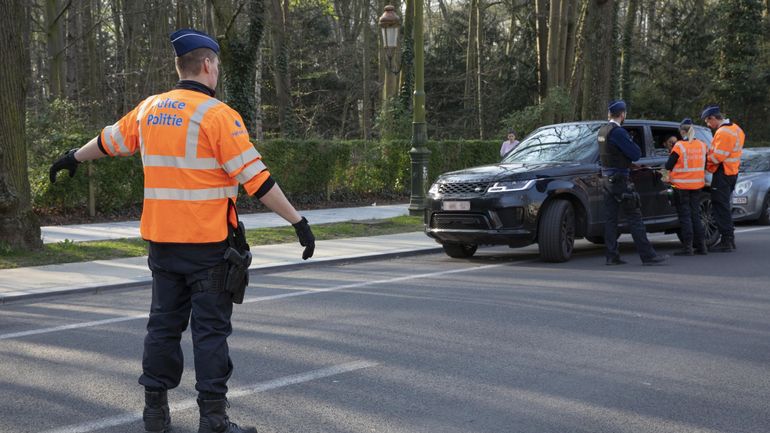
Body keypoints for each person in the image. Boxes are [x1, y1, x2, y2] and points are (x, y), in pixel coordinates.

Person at [49, 29, 315, 433]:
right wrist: (298, 221)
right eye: (218, 65)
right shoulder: (218, 116)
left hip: (162, 244)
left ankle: (155, 414)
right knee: (210, 333)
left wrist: (72, 157)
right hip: (209, 247)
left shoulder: (150, 109)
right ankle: (213, 421)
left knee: (162, 326)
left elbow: (108, 141)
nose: (219, 70)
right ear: (207, 65)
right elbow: (256, 180)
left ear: (180, 66)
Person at [598, 100, 667, 266]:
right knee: (635, 218)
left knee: (610, 220)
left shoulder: (602, 130)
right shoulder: (619, 132)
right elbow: (635, 153)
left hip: (607, 180)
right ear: (622, 114)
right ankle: (648, 256)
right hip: (620, 180)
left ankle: (611, 256)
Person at [701, 105, 745, 252]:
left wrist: (704, 162)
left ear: (713, 118)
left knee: (720, 207)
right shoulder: (736, 129)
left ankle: (727, 240)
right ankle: (729, 239)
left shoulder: (723, 132)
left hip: (723, 172)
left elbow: (717, 156)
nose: (708, 125)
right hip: (732, 172)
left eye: (708, 121)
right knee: (724, 205)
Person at [664, 118, 708, 256]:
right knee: (696, 215)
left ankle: (688, 247)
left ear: (682, 131)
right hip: (697, 185)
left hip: (681, 186)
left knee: (685, 216)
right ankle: (702, 247)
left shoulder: (679, 146)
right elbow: (704, 164)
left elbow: (668, 166)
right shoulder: (702, 145)